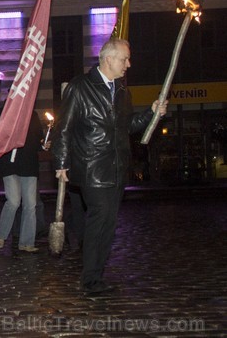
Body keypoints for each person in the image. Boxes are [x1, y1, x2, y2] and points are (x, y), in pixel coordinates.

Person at [52, 38, 167, 294]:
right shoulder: (81, 87)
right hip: (92, 167)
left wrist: (152, 112)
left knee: (109, 224)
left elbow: (129, 127)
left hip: (117, 169)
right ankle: (90, 279)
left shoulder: (123, 91)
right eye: (124, 59)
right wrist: (61, 163)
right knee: (98, 220)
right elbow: (64, 127)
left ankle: (97, 274)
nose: (128, 64)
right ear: (108, 59)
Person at [0, 107, 44, 253]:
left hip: (29, 165)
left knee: (30, 205)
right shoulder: (2, 112)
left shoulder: (32, 114)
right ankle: (1, 233)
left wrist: (43, 144)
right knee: (13, 201)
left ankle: (26, 242)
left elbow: (39, 137)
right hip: (9, 165)